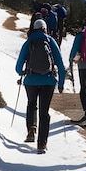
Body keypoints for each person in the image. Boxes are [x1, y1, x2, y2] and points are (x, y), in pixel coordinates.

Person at [15, 18, 66, 154]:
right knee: (44, 112)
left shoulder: (29, 41)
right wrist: (61, 84)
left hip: (31, 81)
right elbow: (61, 65)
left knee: (31, 104)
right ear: (45, 29)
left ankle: (31, 128)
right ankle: (42, 144)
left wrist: (23, 72)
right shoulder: (50, 41)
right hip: (48, 81)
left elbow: (18, 67)